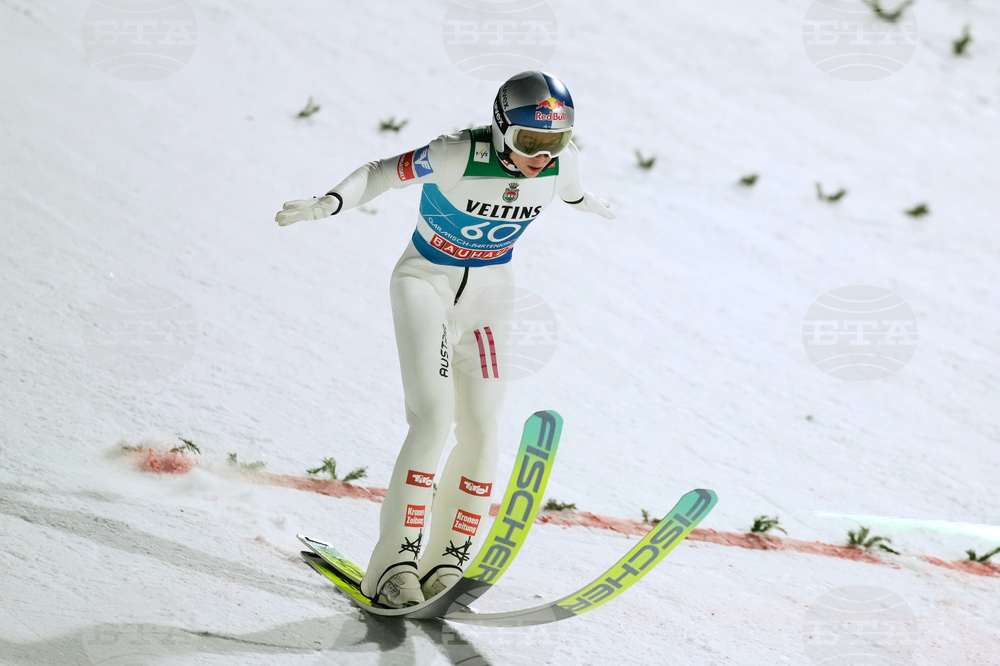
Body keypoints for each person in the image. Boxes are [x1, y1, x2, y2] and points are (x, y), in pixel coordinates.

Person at [276, 70, 615, 608]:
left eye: (555, 142)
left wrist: (588, 201)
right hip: (425, 284)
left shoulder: (560, 163)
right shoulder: (457, 154)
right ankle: (392, 566)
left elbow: (570, 191)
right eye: (529, 141)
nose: (541, 156)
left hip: (489, 295)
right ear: (501, 127)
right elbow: (382, 172)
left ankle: (446, 560)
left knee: (481, 424)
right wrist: (333, 201)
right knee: (433, 417)